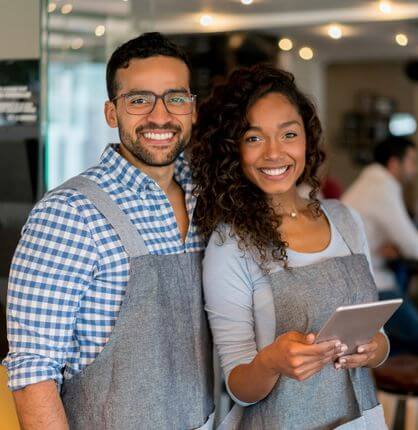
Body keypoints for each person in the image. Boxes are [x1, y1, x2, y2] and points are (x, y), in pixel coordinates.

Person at [3, 32, 214, 429]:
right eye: (139, 100)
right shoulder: (69, 213)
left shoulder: (210, 200)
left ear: (193, 109)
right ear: (111, 113)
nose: (160, 115)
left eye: (176, 97)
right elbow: (33, 371)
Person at [190, 64, 389, 429]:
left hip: (360, 419)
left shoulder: (346, 220)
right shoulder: (229, 244)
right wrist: (271, 362)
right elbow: (238, 386)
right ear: (232, 150)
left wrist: (377, 349)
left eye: (288, 134)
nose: (273, 153)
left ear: (307, 139)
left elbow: (375, 329)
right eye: (253, 138)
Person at [342, 136, 418, 356]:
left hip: (358, 279)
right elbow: (414, 247)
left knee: (400, 342)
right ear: (394, 163)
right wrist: (408, 245)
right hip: (371, 283)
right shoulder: (382, 187)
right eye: (411, 161)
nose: (415, 169)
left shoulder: (371, 182)